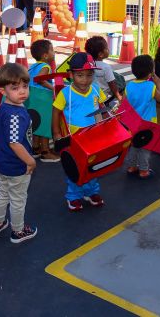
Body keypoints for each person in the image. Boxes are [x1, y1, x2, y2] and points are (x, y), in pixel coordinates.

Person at [0, 63, 38, 244]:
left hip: (3, 161)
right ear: (3, 91)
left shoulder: (5, 107)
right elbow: (15, 143)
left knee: (2, 192)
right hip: (17, 165)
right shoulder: (16, 114)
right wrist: (30, 161)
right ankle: (17, 231)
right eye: (15, 88)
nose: (22, 92)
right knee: (18, 199)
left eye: (25, 86)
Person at [52, 52, 106, 211]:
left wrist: (106, 124)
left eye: (89, 75)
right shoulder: (66, 93)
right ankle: (74, 196)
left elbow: (101, 109)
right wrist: (56, 134)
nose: (85, 80)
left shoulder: (95, 90)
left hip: (94, 136)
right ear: (71, 75)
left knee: (93, 165)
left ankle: (91, 192)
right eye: (80, 75)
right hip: (74, 138)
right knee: (75, 168)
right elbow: (55, 111)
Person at [124, 55, 160, 179]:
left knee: (135, 145)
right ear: (150, 73)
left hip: (133, 124)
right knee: (146, 147)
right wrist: (158, 84)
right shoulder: (150, 86)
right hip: (148, 124)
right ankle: (144, 170)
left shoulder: (129, 86)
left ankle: (131, 166)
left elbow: (125, 102)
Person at [27, 39, 60, 162]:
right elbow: (39, 79)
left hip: (33, 96)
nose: (54, 52)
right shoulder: (45, 66)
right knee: (45, 124)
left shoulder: (33, 65)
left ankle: (35, 148)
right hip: (42, 98)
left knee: (37, 123)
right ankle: (45, 152)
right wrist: (53, 88)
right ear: (45, 55)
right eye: (52, 50)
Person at [85, 36, 122, 100]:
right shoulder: (106, 67)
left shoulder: (86, 65)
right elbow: (112, 84)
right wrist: (118, 96)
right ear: (101, 54)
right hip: (103, 97)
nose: (108, 50)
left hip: (88, 96)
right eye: (107, 48)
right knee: (121, 82)